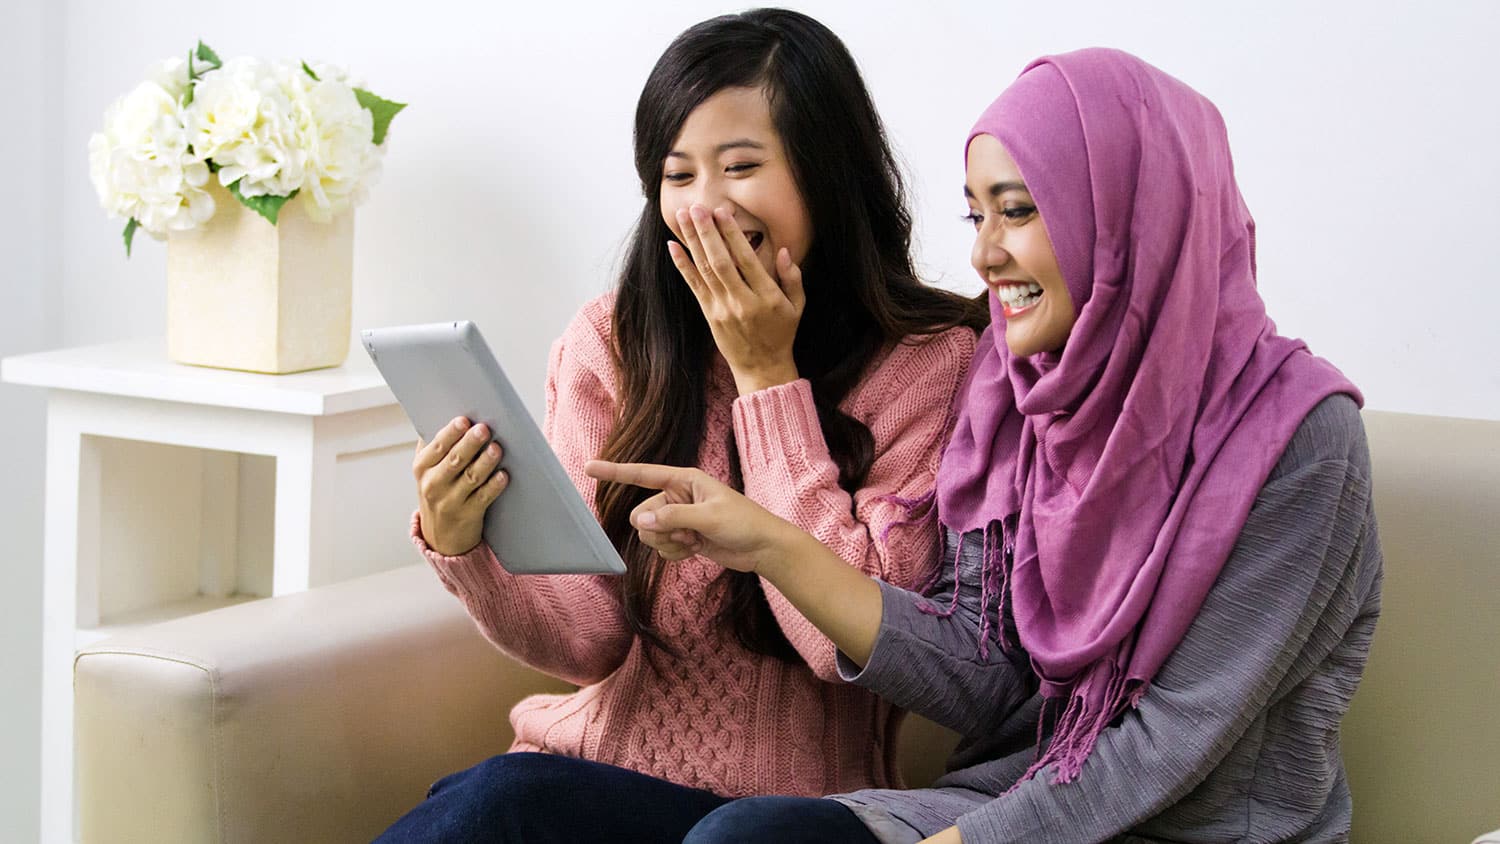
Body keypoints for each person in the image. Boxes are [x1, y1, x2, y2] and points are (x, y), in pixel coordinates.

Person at [588, 48, 1383, 843]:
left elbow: (1167, 742)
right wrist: (769, 543)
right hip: (990, 808)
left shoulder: (1302, 437)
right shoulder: (1010, 396)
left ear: (1126, 212)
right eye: (979, 215)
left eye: (1020, 211)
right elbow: (982, 675)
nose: (984, 254)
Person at [377, 8, 986, 842]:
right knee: (495, 800)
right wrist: (465, 545)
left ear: (827, 173)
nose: (704, 207)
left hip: (783, 820)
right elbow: (587, 641)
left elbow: (847, 643)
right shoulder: (613, 342)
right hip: (588, 785)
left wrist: (765, 377)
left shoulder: (931, 363)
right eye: (677, 175)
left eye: (741, 166)